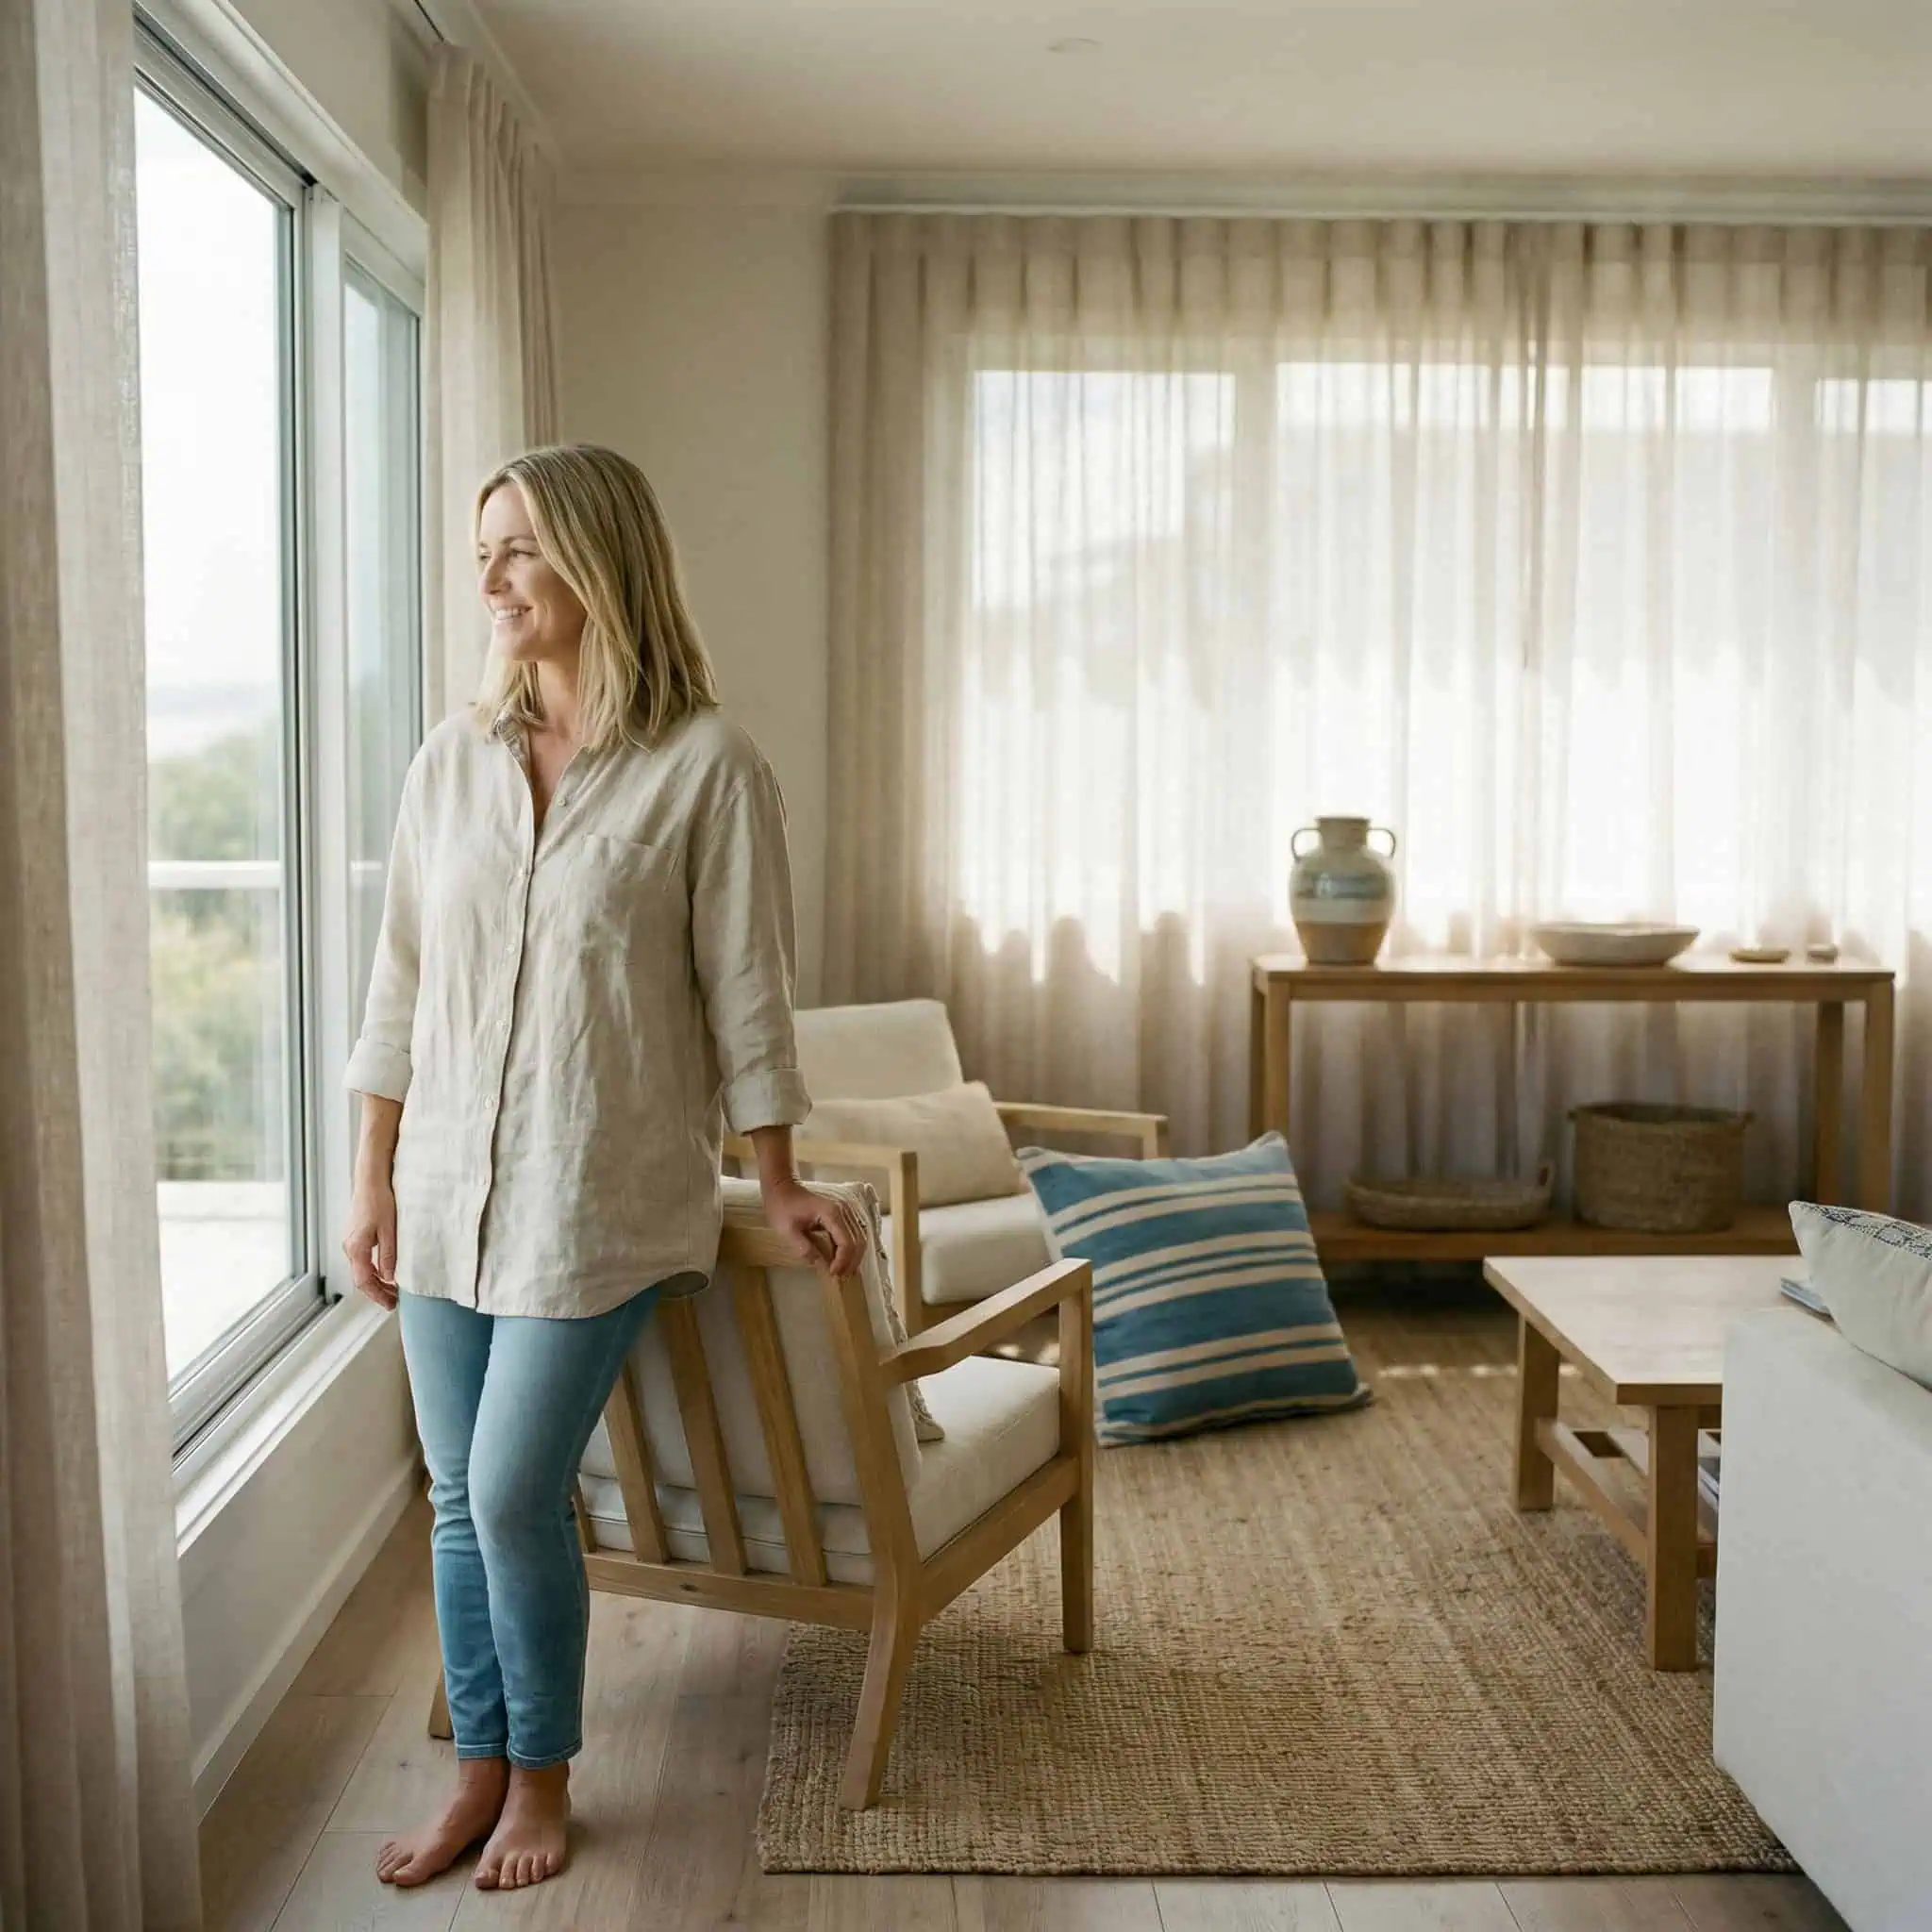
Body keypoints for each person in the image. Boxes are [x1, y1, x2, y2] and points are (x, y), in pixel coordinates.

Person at [341, 442, 861, 1892]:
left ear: (596, 558)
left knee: (509, 1491)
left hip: (598, 1195)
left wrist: (778, 1178)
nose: (491, 579)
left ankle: (543, 1783)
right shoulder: (451, 762)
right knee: (455, 1496)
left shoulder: (708, 769)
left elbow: (746, 996)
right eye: (481, 554)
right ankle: (478, 1772)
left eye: (517, 550)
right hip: (445, 1187)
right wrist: (373, 1177)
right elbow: (401, 989)